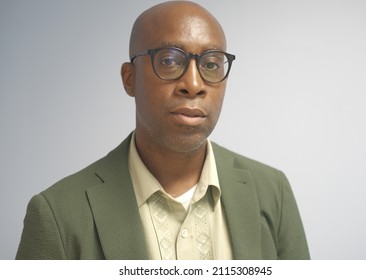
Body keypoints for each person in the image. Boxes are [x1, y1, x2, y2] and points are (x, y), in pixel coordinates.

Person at [16, 1, 310, 260]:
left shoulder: (273, 191)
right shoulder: (57, 214)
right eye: (169, 60)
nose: (194, 84)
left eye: (210, 63)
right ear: (129, 79)